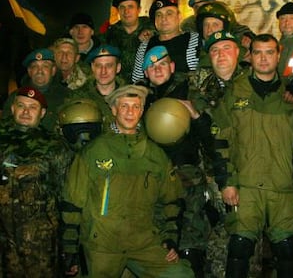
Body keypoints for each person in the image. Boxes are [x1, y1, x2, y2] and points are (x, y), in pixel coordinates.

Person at [60, 84, 194, 277]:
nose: (130, 112)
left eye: (135, 106)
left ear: (142, 110)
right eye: (124, 106)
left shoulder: (156, 155)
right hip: (103, 247)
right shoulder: (92, 152)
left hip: (143, 244)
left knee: (181, 274)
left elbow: (172, 201)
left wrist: (171, 239)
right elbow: (72, 204)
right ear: (114, 110)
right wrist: (70, 251)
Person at [212, 34, 293, 277]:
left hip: (282, 187)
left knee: (288, 251)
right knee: (239, 249)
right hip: (246, 186)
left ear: (278, 54)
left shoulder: (292, 95)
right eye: (258, 52)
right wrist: (227, 182)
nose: (263, 59)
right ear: (250, 56)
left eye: (269, 52)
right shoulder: (235, 92)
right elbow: (220, 140)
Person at [142, 46, 216, 277]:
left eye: (162, 64)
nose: (157, 69)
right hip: (155, 181)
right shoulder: (141, 99)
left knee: (190, 242)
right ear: (146, 74)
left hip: (189, 179)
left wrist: (196, 115)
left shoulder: (190, 91)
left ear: (172, 67)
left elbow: (211, 135)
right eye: (152, 67)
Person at [0, 86, 73, 277]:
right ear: (13, 108)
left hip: (40, 242)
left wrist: (69, 242)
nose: (26, 111)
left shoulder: (56, 146)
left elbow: (65, 193)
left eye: (32, 107)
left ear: (42, 113)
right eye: (21, 105)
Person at [132, 0, 199, 83]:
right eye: (159, 15)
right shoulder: (145, 45)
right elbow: (137, 79)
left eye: (169, 13)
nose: (163, 18)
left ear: (179, 16)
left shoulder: (194, 40)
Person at [1, 48, 69, 133]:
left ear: (53, 70)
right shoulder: (16, 96)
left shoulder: (67, 96)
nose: (39, 71)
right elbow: (5, 126)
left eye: (45, 66)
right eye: (35, 66)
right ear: (29, 71)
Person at [67, 44, 125, 131]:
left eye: (109, 65)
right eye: (99, 66)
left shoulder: (130, 96)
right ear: (92, 67)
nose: (103, 71)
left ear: (118, 68)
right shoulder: (78, 98)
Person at [104, 0, 155, 82]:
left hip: (148, 84)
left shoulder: (152, 28)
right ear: (118, 11)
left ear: (138, 9)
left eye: (130, 7)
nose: (126, 11)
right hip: (119, 86)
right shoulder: (111, 34)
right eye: (122, 7)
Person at [191, 30, 246, 113]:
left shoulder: (252, 79)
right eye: (215, 50)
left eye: (226, 48)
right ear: (209, 56)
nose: (221, 54)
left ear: (237, 52)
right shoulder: (198, 82)